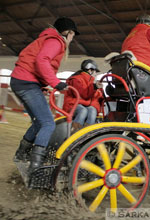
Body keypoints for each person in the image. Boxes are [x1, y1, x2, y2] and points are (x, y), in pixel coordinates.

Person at [10, 17, 79, 174]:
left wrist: (41, 85)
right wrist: (56, 83)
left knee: (39, 122)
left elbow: (35, 62)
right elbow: (42, 60)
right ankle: (36, 165)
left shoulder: (47, 39)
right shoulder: (56, 41)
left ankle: (21, 155)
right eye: (73, 35)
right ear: (68, 33)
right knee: (48, 123)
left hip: (22, 81)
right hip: (26, 82)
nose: (72, 38)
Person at [63, 59, 104, 132]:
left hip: (84, 104)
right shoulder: (76, 79)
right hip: (73, 104)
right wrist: (94, 87)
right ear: (90, 70)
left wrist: (100, 94)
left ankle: (87, 134)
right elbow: (82, 94)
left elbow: (96, 96)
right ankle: (74, 133)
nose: (96, 74)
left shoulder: (92, 81)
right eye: (95, 72)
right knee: (83, 111)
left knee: (93, 110)